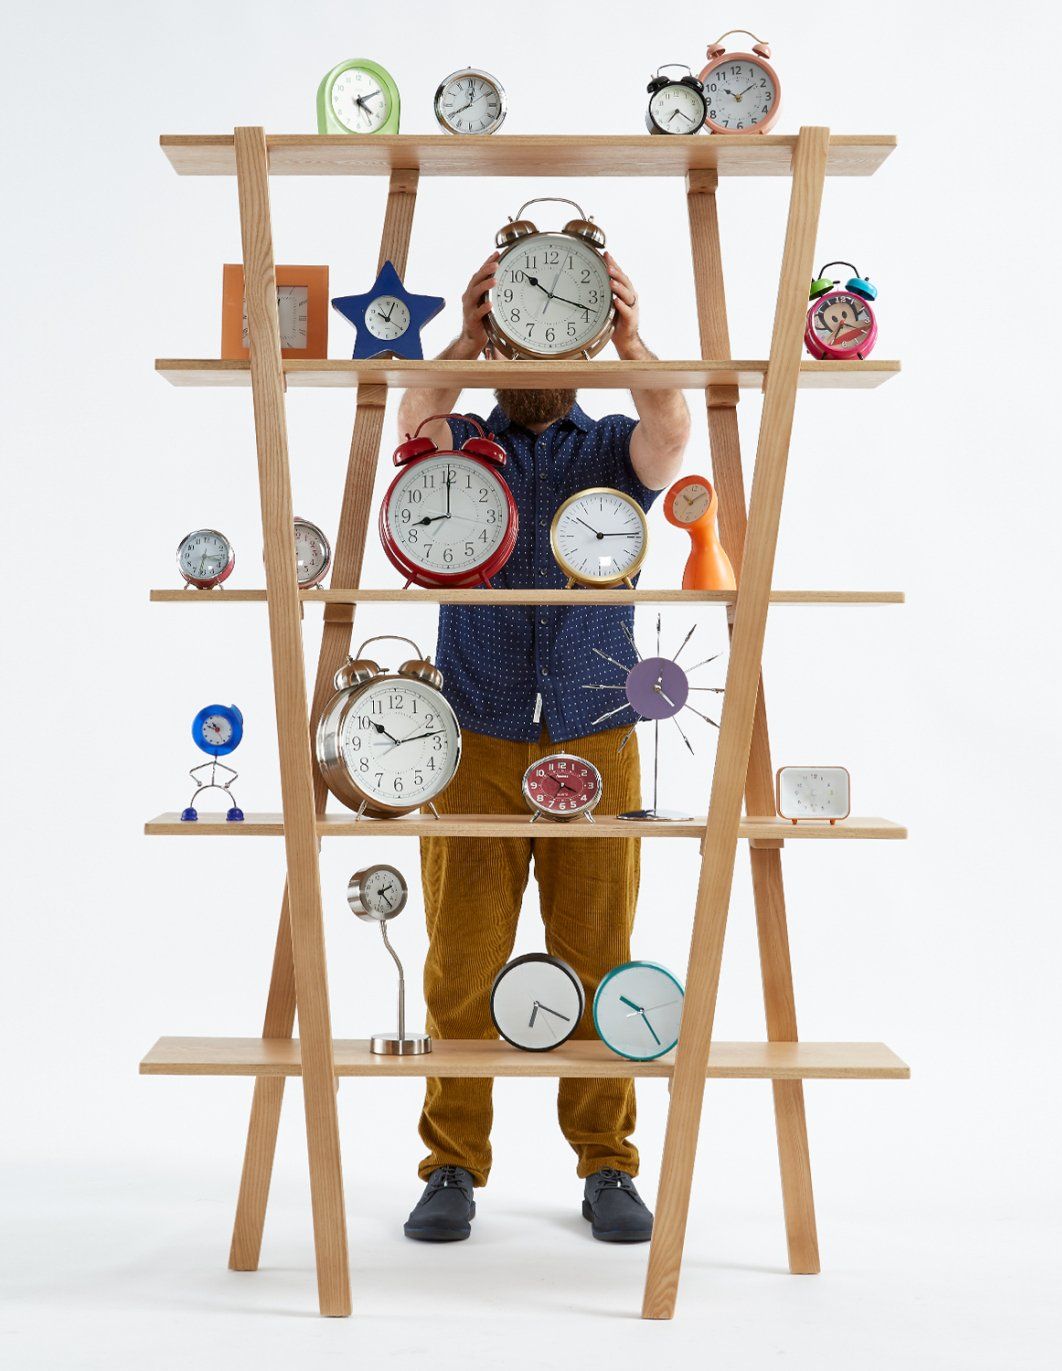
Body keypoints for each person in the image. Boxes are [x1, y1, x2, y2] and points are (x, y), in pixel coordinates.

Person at [394, 251, 691, 1243]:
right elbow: (413, 411)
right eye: (525, 320)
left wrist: (632, 340)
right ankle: (451, 1164)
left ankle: (607, 1165)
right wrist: (469, 336)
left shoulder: (611, 446)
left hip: (595, 732)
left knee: (600, 958)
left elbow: (673, 431)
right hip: (471, 729)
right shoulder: (462, 436)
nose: (540, 340)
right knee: (460, 962)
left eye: (564, 320)